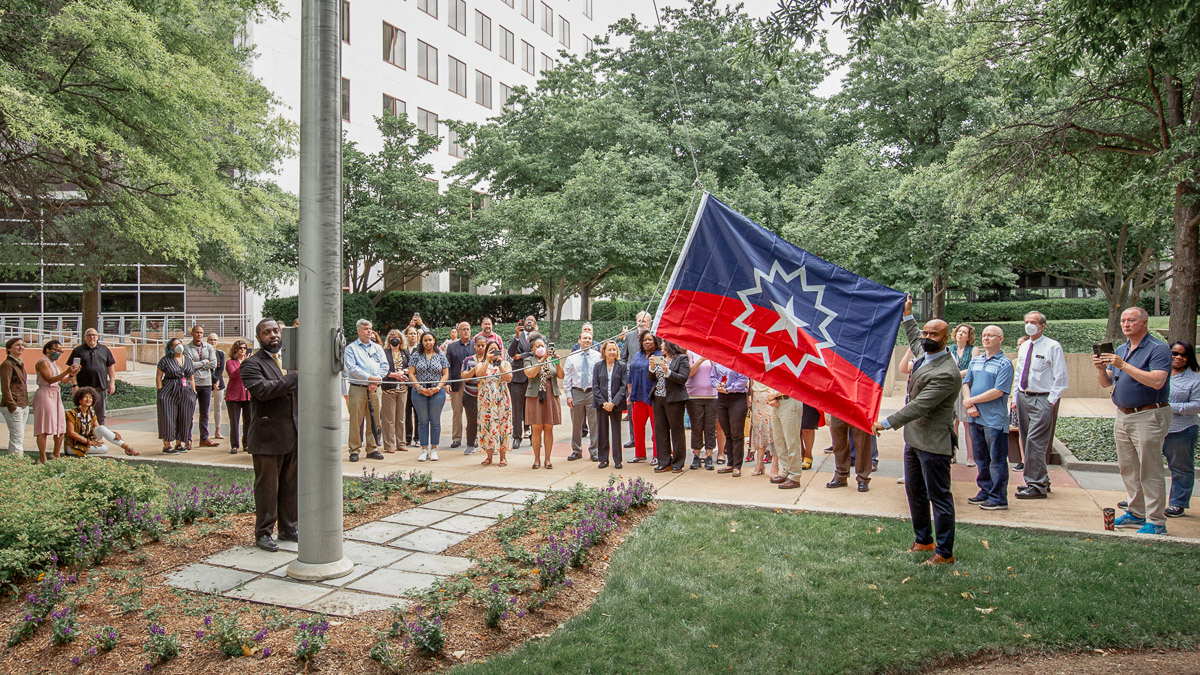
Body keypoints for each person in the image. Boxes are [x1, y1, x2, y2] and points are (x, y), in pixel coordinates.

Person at [874, 295, 961, 566]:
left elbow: (920, 406)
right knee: (915, 492)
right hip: (913, 439)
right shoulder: (924, 354)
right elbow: (913, 337)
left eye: (933, 334)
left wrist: (885, 422)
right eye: (926, 332)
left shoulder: (947, 373)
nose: (927, 337)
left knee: (939, 497)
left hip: (934, 442)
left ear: (945, 338)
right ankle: (924, 540)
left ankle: (945, 553)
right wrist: (908, 314)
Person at [1095, 307, 1171, 534]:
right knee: (1128, 468)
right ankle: (1136, 513)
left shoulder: (1158, 349)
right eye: (1123, 321)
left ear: (1145, 322)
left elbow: (1157, 381)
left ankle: (1157, 521)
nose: (1126, 325)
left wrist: (1123, 365)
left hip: (1149, 414)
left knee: (1150, 470)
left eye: (1131, 320)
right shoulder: (1122, 348)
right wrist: (1101, 369)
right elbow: (1106, 383)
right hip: (1124, 415)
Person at [239, 318, 299, 553]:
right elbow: (263, 391)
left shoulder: (289, 361)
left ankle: (288, 528)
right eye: (267, 332)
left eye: (276, 331)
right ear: (259, 337)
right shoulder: (251, 364)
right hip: (267, 437)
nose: (273, 335)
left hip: (292, 434)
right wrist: (295, 377)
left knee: (290, 485)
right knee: (267, 488)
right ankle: (264, 533)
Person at [1013, 311, 1069, 499]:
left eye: (1034, 322)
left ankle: (1036, 485)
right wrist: (1015, 397)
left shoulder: (1052, 346)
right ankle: (1039, 479)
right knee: (1027, 440)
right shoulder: (1024, 346)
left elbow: (1061, 377)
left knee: (1035, 442)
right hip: (1023, 397)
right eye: (1027, 321)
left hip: (1042, 398)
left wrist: (1050, 401)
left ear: (1042, 325)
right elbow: (1019, 373)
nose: (1029, 324)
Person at [961, 325, 1014, 510]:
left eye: (991, 336)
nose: (986, 338)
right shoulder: (975, 361)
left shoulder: (1004, 364)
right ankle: (985, 490)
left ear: (1000, 339)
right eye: (984, 335)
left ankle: (998, 497)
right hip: (975, 417)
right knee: (981, 458)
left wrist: (971, 401)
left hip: (994, 420)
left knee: (997, 460)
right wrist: (969, 403)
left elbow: (999, 391)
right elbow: (966, 382)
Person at [1162, 340, 1200, 518]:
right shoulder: (1159, 373)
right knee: (1145, 466)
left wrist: (1169, 407)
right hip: (1155, 427)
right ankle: (1141, 500)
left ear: (1189, 358)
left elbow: (1197, 406)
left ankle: (1178, 503)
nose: (1178, 357)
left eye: (1183, 355)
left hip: (1181, 430)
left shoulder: (1195, 379)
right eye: (1174, 353)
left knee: (1180, 468)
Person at [344, 318, 387, 462]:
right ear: (359, 331)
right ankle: (354, 449)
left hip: (375, 388)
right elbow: (352, 368)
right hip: (358, 388)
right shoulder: (351, 348)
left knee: (374, 419)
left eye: (370, 328)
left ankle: (372, 448)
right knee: (356, 420)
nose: (369, 331)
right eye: (366, 329)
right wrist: (369, 378)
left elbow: (384, 366)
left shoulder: (377, 348)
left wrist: (376, 380)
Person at [522, 336, 563, 470]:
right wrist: (543, 359)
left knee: (549, 427)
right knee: (537, 427)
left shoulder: (552, 359)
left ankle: (548, 459)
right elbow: (531, 374)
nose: (540, 348)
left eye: (542, 345)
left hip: (550, 393)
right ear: (532, 349)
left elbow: (561, 375)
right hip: (535, 395)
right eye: (537, 346)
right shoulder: (529, 360)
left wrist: (557, 362)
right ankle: (536, 459)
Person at [33, 340, 77, 462]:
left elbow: (63, 380)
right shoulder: (43, 362)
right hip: (45, 394)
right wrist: (66, 372)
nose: (58, 353)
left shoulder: (55, 364)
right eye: (56, 350)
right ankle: (42, 457)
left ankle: (56, 454)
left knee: (60, 426)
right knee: (44, 427)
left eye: (60, 351)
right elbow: (50, 380)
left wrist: (72, 374)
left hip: (56, 395)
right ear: (48, 350)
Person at [409, 331, 450, 462]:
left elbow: (445, 374)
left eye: (430, 340)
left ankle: (434, 448)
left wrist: (438, 387)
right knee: (422, 421)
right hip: (419, 390)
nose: (428, 342)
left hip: (436, 390)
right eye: (425, 340)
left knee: (435, 421)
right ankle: (423, 448)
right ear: (422, 342)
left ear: (434, 341)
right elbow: (411, 373)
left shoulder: (440, 355)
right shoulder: (416, 355)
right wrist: (419, 388)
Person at [650, 340, 690, 473]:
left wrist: (668, 372)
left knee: (676, 431)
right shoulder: (659, 358)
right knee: (660, 430)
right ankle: (663, 461)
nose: (660, 346)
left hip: (674, 399)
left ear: (669, 345)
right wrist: (650, 368)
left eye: (662, 343)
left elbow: (683, 378)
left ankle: (678, 462)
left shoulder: (681, 358)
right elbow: (651, 378)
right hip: (658, 398)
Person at [64, 386, 138, 456]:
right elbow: (71, 433)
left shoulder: (91, 414)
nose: (88, 399)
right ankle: (127, 448)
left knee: (102, 428)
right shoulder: (72, 413)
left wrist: (113, 433)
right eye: (86, 397)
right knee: (104, 448)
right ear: (79, 400)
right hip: (74, 445)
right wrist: (89, 442)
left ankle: (127, 447)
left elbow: (99, 429)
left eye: (90, 398)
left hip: (88, 441)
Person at [474, 339, 514, 466]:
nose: (493, 352)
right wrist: (487, 359)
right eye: (490, 349)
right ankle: (489, 456)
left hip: (501, 398)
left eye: (495, 349)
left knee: (503, 425)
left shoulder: (505, 363)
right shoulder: (480, 364)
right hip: (486, 399)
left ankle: (503, 456)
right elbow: (479, 375)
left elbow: (508, 378)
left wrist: (499, 363)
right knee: (487, 425)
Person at [67, 328, 116, 425]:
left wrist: (112, 383)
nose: (91, 337)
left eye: (94, 335)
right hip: (84, 389)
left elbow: (110, 367)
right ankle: (83, 436)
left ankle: (99, 436)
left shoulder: (104, 350)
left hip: (100, 388)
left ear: (97, 337)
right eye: (89, 335)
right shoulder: (78, 351)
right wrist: (74, 385)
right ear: (84, 337)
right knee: (83, 413)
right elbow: (72, 370)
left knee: (100, 415)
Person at [156, 338, 196, 454]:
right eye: (175, 345)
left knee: (184, 417)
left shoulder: (188, 360)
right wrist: (160, 391)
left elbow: (191, 378)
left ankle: (179, 443)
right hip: (169, 391)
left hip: (186, 391)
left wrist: (193, 392)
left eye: (180, 344)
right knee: (168, 417)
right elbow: (159, 377)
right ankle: (167, 446)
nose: (179, 346)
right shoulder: (165, 360)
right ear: (171, 348)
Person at [563, 330, 599, 462]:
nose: (587, 340)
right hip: (576, 392)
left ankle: (594, 451)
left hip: (592, 393)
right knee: (576, 424)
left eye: (589, 338)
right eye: (585, 338)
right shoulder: (572, 357)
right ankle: (576, 450)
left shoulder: (597, 356)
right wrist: (568, 395)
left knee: (594, 424)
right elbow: (567, 377)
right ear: (579, 341)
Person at [948, 324, 981, 467]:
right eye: (959, 331)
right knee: (952, 423)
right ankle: (952, 455)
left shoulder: (973, 350)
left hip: (966, 387)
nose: (960, 334)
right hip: (950, 387)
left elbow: (972, 369)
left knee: (967, 424)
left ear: (969, 336)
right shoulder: (949, 349)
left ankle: (970, 457)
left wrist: (955, 374)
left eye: (964, 332)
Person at [508, 315, 542, 449]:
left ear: (535, 324)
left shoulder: (540, 338)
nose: (529, 322)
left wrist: (522, 355)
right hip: (518, 378)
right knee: (516, 410)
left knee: (534, 409)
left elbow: (540, 353)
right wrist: (517, 336)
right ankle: (517, 437)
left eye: (532, 321)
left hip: (534, 378)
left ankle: (535, 437)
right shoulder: (515, 337)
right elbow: (511, 354)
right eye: (527, 320)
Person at [592, 340, 627, 469]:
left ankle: (617, 459)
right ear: (604, 352)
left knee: (616, 431)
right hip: (602, 404)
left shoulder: (622, 366)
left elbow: (623, 387)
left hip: (616, 404)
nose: (612, 352)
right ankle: (603, 459)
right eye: (609, 350)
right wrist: (604, 403)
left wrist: (613, 402)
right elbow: (595, 386)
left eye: (614, 349)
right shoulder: (598, 366)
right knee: (602, 431)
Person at [182, 325, 219, 448]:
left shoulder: (208, 347)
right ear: (192, 333)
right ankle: (187, 439)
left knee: (205, 413)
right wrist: (204, 362)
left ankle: (204, 438)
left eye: (201, 333)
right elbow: (188, 365)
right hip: (193, 383)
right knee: (190, 412)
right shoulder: (187, 348)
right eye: (197, 332)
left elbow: (213, 363)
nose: (199, 334)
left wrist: (197, 364)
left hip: (206, 383)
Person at [621, 311, 653, 449]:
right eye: (639, 320)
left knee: (652, 410)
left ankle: (654, 438)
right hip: (632, 381)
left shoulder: (655, 336)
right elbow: (623, 358)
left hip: (650, 380)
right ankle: (634, 439)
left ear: (649, 323)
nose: (640, 323)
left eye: (644, 321)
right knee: (633, 411)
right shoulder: (629, 336)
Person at [711, 362, 749, 477]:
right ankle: (730, 463)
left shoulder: (738, 361)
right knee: (727, 432)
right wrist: (719, 385)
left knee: (736, 433)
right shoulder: (717, 362)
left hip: (737, 397)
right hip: (722, 398)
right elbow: (712, 377)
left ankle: (737, 465)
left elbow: (743, 380)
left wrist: (728, 388)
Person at [628, 330, 659, 463]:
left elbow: (660, 376)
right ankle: (640, 454)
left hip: (653, 397)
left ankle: (657, 456)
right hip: (637, 396)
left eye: (650, 340)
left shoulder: (659, 355)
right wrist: (630, 394)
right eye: (645, 340)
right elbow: (630, 375)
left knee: (656, 427)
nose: (647, 342)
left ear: (656, 341)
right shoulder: (637, 355)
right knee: (637, 426)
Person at [827, 412, 876, 492]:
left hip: (859, 404)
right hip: (839, 403)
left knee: (862, 441)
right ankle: (841, 475)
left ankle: (862, 478)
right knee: (838, 439)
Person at [686, 350, 718, 470]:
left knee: (710, 427)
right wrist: (700, 360)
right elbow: (689, 373)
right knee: (696, 427)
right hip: (694, 395)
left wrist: (712, 362)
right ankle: (696, 455)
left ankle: (709, 455)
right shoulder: (690, 353)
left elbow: (719, 373)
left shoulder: (714, 352)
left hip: (712, 395)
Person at [445, 321, 474, 452]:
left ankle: (474, 439)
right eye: (463, 329)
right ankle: (456, 438)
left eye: (468, 329)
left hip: (473, 384)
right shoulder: (452, 347)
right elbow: (447, 366)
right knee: (457, 412)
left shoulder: (476, 345)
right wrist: (448, 383)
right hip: (457, 383)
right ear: (458, 331)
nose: (466, 331)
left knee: (474, 413)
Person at [380, 328, 410, 454]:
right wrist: (393, 375)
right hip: (389, 389)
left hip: (402, 388)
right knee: (389, 418)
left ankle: (401, 442)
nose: (394, 338)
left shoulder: (405, 351)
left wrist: (403, 372)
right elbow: (381, 368)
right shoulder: (384, 352)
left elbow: (411, 366)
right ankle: (389, 444)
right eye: (391, 337)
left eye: (396, 336)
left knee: (401, 417)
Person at [1, 338, 28, 456]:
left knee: (18, 437)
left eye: (22, 345)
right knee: (17, 439)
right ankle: (18, 464)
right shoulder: (7, 364)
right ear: (9, 348)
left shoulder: (19, 363)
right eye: (17, 345)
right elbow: (5, 386)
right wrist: (12, 405)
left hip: (23, 404)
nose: (21, 347)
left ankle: (13, 462)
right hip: (14, 405)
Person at [460, 335, 487, 455]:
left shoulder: (489, 359)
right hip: (470, 395)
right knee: (471, 421)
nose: (480, 347)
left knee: (487, 420)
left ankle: (488, 445)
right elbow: (464, 377)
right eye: (478, 345)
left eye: (483, 345)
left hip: (486, 395)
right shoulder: (468, 360)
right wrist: (475, 369)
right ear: (474, 346)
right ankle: (470, 444)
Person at [224, 340, 251, 455]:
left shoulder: (249, 362)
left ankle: (247, 444)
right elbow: (233, 375)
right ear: (236, 350)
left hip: (247, 395)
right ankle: (234, 445)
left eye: (244, 348)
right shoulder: (230, 362)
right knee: (234, 422)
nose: (243, 350)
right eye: (240, 348)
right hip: (233, 396)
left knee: (248, 421)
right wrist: (244, 364)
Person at [748, 379, 776, 477]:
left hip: (771, 393)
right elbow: (751, 380)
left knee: (772, 429)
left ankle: (775, 465)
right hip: (757, 395)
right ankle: (759, 463)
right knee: (758, 428)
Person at [207, 333, 226, 440]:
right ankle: (205, 433)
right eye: (210, 340)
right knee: (206, 408)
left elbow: (221, 368)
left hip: (219, 383)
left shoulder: (220, 353)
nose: (213, 342)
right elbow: (205, 367)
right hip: (207, 382)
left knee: (218, 407)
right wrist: (213, 380)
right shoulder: (204, 353)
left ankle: (217, 431)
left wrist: (217, 380)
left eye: (215, 340)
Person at [403, 326, 420, 446]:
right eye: (410, 333)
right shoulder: (402, 348)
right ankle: (408, 437)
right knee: (406, 412)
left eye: (415, 334)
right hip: (404, 384)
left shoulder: (420, 349)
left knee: (418, 412)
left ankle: (418, 437)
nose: (413, 336)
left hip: (417, 384)